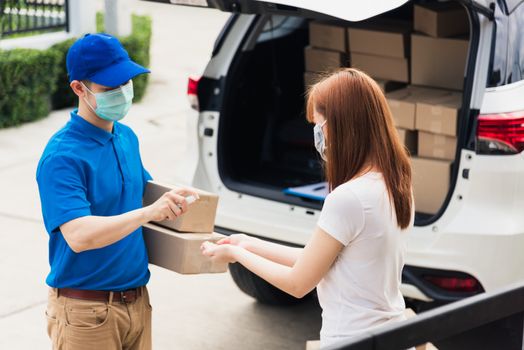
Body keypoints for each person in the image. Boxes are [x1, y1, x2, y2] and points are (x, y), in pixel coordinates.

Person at [201, 68, 414, 348]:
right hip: (390, 336)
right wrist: (248, 243)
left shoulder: (348, 199)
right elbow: (321, 261)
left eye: (319, 125)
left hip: (351, 340)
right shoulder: (396, 180)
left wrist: (235, 254)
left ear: (341, 126)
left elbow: (298, 283)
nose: (318, 135)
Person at [36, 33, 198, 350]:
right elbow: (79, 235)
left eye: (126, 82)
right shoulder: (62, 157)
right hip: (86, 313)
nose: (123, 92)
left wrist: (179, 201)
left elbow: (143, 193)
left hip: (137, 301)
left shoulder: (126, 137)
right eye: (110, 88)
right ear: (79, 89)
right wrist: (148, 213)